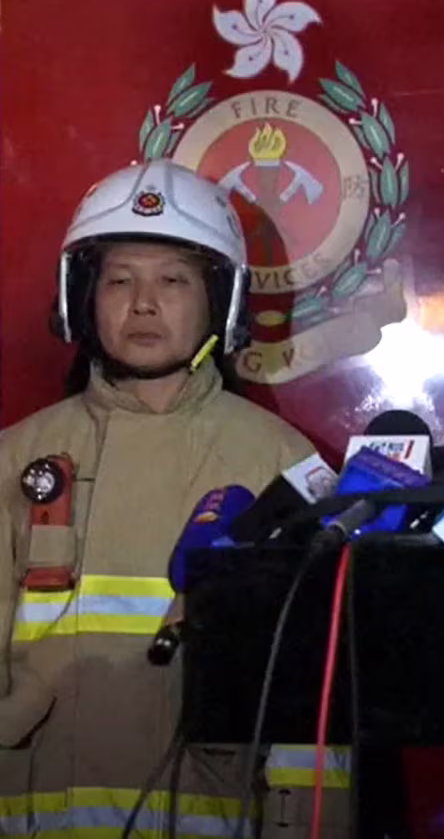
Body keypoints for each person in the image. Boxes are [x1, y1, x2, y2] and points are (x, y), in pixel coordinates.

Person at [0, 159, 340, 838]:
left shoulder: (283, 465)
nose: (144, 303)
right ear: (81, 298)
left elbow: (315, 706)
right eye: (120, 279)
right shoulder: (16, 459)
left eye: (174, 281)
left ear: (222, 301)